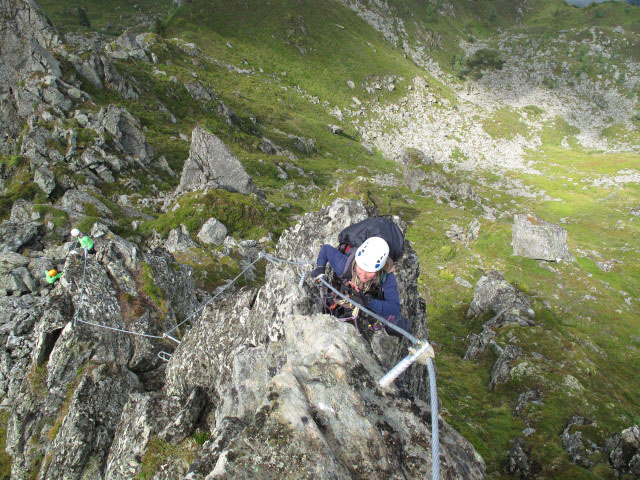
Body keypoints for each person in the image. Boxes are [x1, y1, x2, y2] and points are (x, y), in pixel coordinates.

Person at [310, 236, 410, 337]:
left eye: (369, 271)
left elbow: (394, 308)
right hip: (349, 293)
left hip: (371, 298)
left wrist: (368, 302)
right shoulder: (345, 265)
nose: (363, 275)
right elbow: (326, 249)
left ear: (379, 269)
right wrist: (320, 267)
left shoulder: (387, 277)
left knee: (397, 327)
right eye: (360, 268)